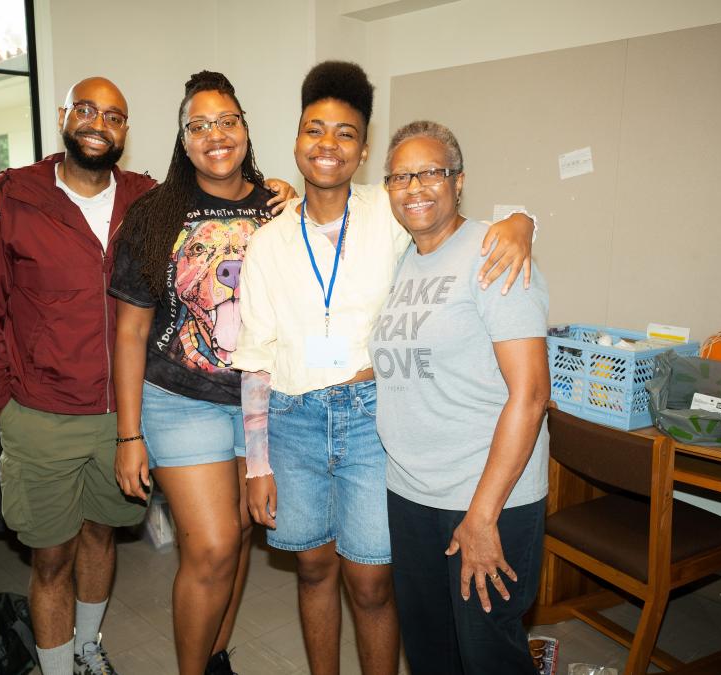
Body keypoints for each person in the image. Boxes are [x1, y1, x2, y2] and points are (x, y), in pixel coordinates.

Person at [0, 76, 293, 675]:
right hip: (50, 409)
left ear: (127, 130)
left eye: (113, 115)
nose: (97, 124)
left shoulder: (144, 196)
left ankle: (90, 648)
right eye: (86, 110)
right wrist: (0, 397)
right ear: (65, 117)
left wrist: (284, 190)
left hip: (128, 407)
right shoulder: (12, 195)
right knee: (54, 558)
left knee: (110, 539)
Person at [233, 61, 536, 675]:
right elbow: (256, 360)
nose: (328, 145)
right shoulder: (265, 242)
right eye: (314, 129)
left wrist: (522, 222)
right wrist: (255, 463)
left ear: (364, 150)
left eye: (345, 133)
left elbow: (457, 221)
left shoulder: (390, 211)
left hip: (372, 420)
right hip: (292, 421)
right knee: (314, 569)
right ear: (295, 139)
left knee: (372, 582)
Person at [108, 71, 282, 675]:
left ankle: (215, 662)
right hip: (180, 400)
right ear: (183, 141)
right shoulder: (155, 213)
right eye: (199, 125)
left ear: (245, 129)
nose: (215, 134)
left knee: (236, 543)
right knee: (209, 547)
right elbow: (130, 331)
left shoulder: (279, 207)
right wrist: (129, 435)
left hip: (262, 402)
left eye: (226, 121)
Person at [371, 120, 551, 675]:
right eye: (401, 176)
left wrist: (481, 515)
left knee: (488, 655)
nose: (415, 187)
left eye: (431, 172)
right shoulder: (401, 259)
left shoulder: (495, 253)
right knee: (429, 651)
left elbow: (531, 393)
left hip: (484, 495)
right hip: (410, 491)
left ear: (458, 181)